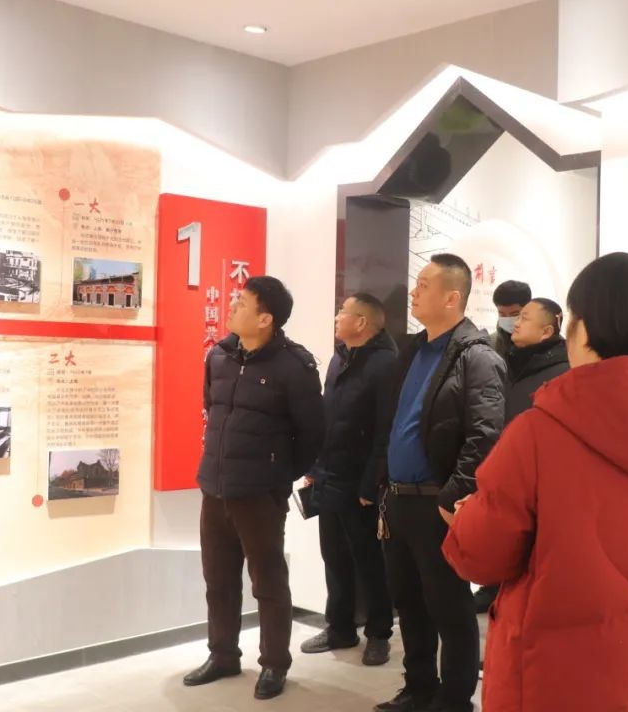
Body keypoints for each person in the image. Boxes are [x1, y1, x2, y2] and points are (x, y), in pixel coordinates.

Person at [441, 252, 628, 711]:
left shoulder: (538, 434)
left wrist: (467, 517)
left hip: (550, 684)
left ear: (585, 329)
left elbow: (480, 555)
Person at [375, 253, 506, 712]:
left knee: (449, 607)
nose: (413, 291)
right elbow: (395, 422)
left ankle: (454, 699)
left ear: (452, 298)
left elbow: (485, 437)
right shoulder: (412, 350)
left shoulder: (478, 357)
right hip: (398, 500)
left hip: (439, 504)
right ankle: (419, 687)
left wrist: (451, 496)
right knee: (409, 603)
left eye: (424, 285)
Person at [183, 276, 324, 701]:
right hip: (215, 488)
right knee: (218, 580)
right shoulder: (219, 356)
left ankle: (274, 663)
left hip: (261, 494)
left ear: (266, 319)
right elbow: (211, 407)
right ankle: (223, 654)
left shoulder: (295, 366)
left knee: (268, 582)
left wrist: (278, 475)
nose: (232, 305)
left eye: (242, 302)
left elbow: (312, 433)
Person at [300, 293, 396, 665]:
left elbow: (385, 431)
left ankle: (379, 633)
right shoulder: (340, 357)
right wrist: (314, 467)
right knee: (334, 556)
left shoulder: (385, 364)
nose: (337, 317)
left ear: (362, 322)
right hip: (330, 476)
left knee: (369, 561)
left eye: (343, 312)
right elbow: (328, 418)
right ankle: (339, 627)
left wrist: (371, 484)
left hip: (360, 484)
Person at [472, 296, 570, 614]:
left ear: (546, 331)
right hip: (506, 474)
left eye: (523, 317)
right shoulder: (510, 362)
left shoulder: (562, 372)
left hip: (541, 484)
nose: (515, 323)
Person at [489, 280, 531, 359]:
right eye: (502, 314)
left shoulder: (542, 341)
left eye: (514, 314)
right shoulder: (490, 344)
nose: (508, 319)